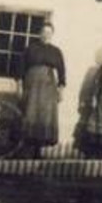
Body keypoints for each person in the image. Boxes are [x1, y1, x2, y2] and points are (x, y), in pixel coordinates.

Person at [17, 21, 66, 157]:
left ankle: (38, 151)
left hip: (48, 88)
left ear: (52, 35)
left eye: (49, 33)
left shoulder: (56, 51)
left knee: (44, 117)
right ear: (39, 33)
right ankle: (26, 149)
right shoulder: (30, 49)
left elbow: (62, 72)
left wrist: (61, 90)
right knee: (30, 114)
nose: (46, 35)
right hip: (31, 87)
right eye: (44, 32)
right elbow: (21, 69)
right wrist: (19, 87)